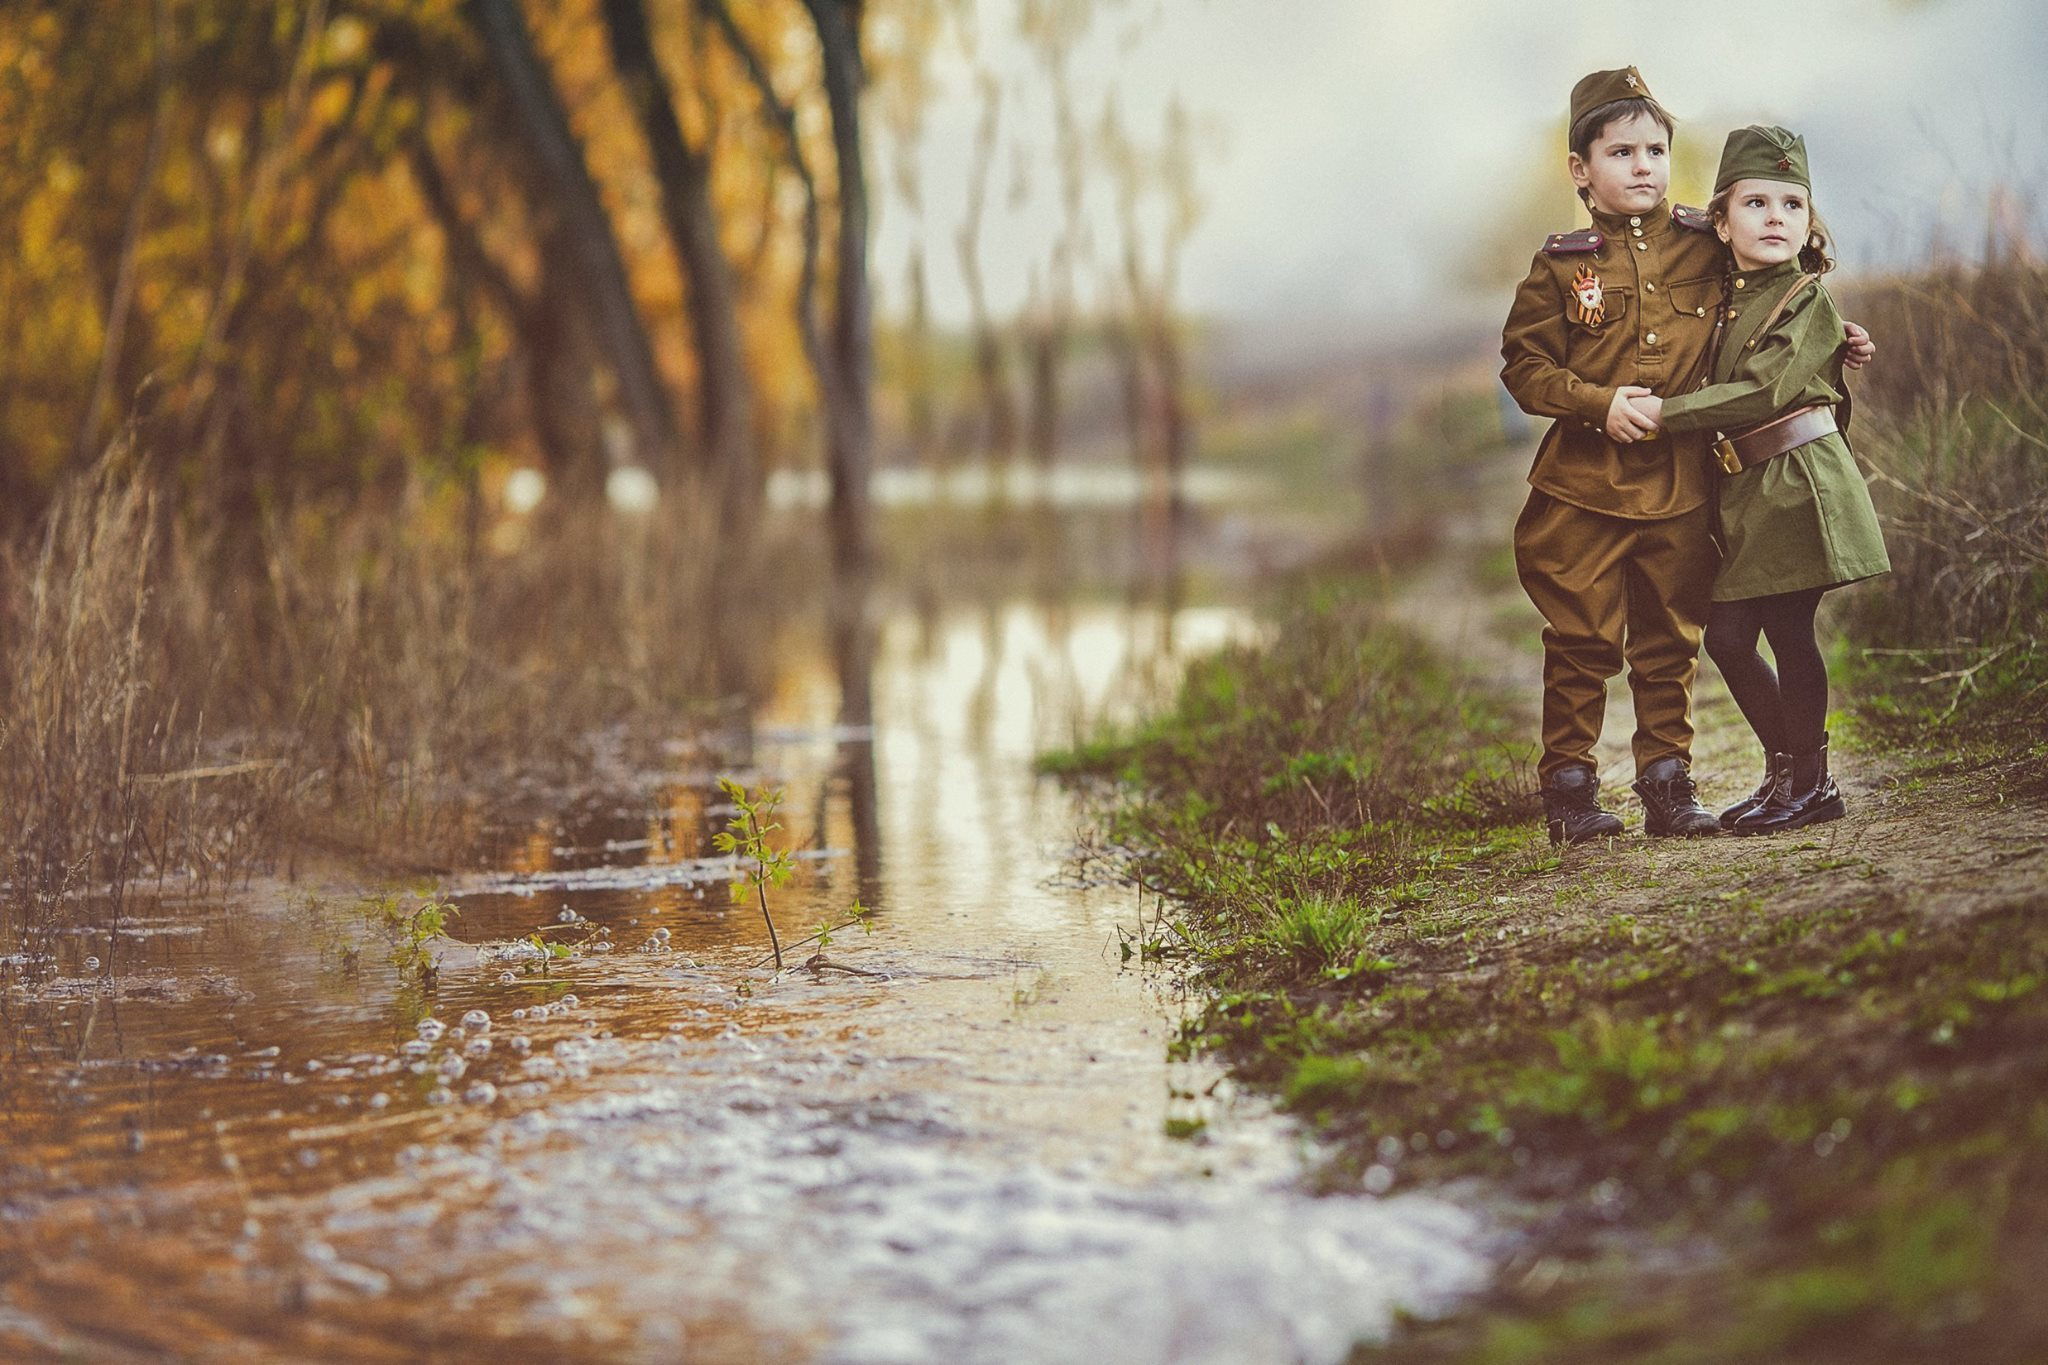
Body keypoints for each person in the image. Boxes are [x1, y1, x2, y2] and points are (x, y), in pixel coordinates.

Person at [1502, 67, 1873, 847]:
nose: (1644, 166)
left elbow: (1778, 299)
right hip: (1584, 487)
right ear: (1581, 171)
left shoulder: (1707, 244)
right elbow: (1525, 366)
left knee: (1670, 639)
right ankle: (1571, 790)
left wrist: (1839, 344)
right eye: (1622, 152)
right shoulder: (1563, 266)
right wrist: (1598, 402)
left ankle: (1668, 783)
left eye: (1657, 150)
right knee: (1581, 637)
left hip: (1680, 487)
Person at [1630, 126, 1890, 835]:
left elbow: (1763, 391)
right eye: (1755, 203)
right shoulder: (1728, 293)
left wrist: (1665, 414)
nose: (1776, 217)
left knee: (1787, 630)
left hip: (1800, 486)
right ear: (1722, 221)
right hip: (1753, 492)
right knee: (1730, 638)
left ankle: (1808, 781)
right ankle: (1790, 773)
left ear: (1810, 224)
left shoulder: (1806, 298)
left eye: (1792, 204)